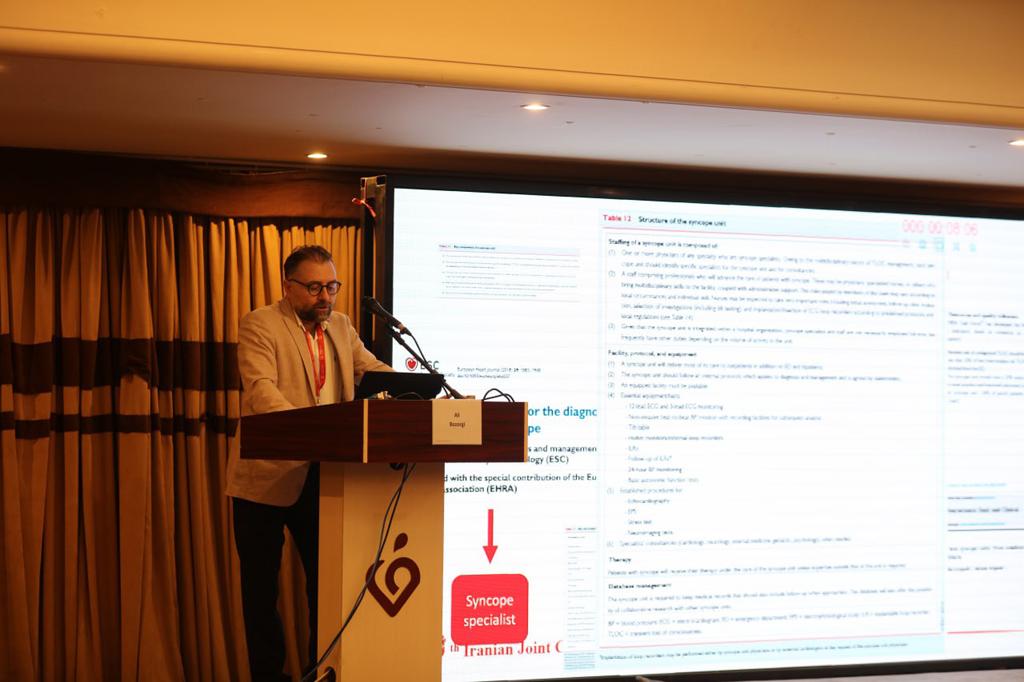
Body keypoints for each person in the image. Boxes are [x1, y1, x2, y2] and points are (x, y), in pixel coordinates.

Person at [227, 245, 391, 682]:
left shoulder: (341, 326)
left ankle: (322, 672)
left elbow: (371, 370)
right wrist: (309, 429)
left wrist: (425, 389)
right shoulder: (260, 323)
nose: (325, 297)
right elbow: (261, 390)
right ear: (288, 286)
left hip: (325, 476)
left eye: (332, 287)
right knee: (261, 594)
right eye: (315, 287)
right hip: (264, 477)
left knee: (327, 586)